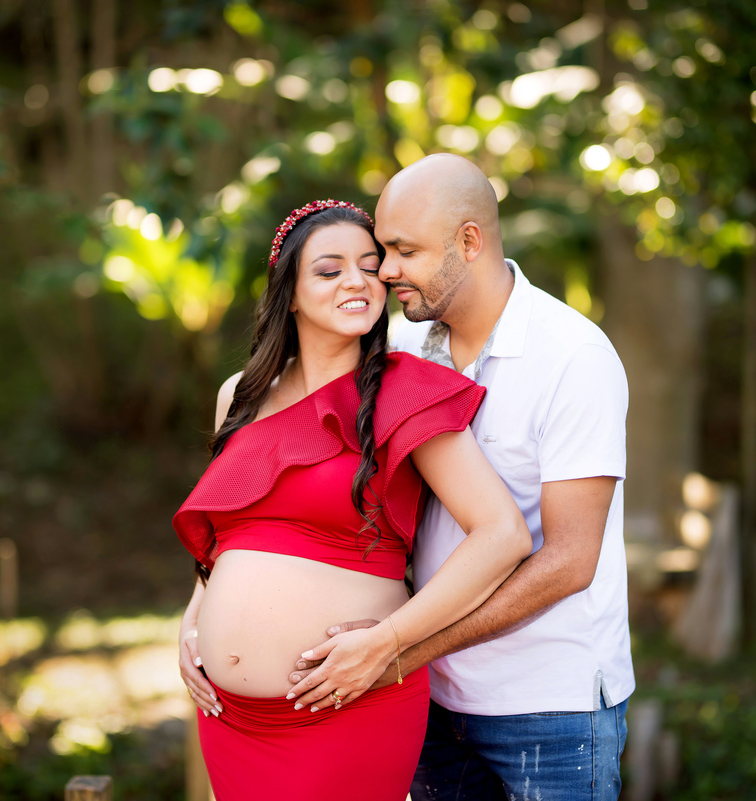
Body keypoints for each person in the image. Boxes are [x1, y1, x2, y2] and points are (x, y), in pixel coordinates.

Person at [288, 155, 633, 801]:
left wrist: (400, 648)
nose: (384, 270)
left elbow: (568, 560)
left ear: (469, 241)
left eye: (403, 250)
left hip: (549, 705)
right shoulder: (403, 350)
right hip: (432, 701)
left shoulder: (573, 357)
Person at [173, 199, 533, 801]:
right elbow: (226, 534)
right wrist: (193, 621)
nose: (357, 281)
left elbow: (503, 535)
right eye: (329, 269)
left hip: (348, 700)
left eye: (371, 266)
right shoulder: (238, 396)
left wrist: (387, 642)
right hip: (230, 719)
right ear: (288, 292)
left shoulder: (407, 392)